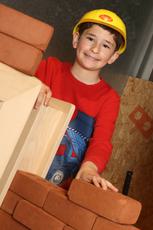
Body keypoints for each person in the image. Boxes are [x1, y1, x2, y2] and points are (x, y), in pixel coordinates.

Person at [35, 9, 127, 191]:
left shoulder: (109, 99)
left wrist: (90, 168)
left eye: (106, 45)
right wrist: (32, 85)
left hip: (58, 187)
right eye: (91, 39)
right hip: (21, 165)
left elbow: (101, 141)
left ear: (113, 57)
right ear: (76, 39)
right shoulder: (50, 68)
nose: (95, 49)